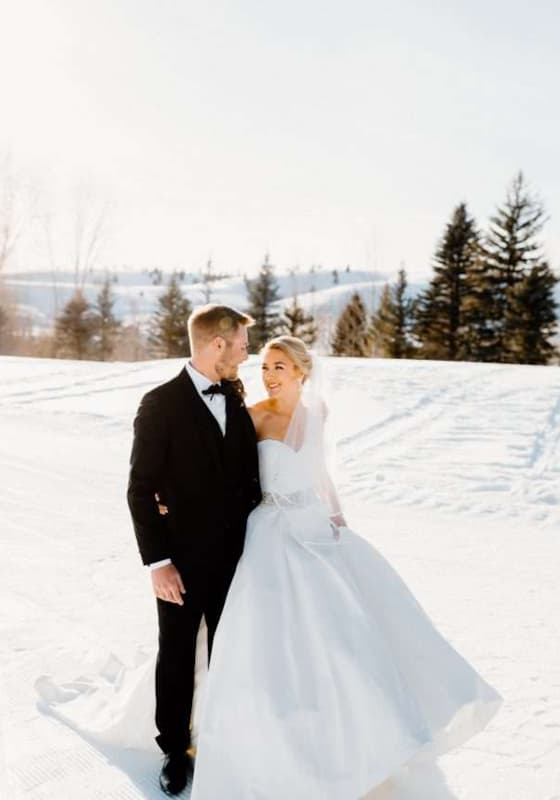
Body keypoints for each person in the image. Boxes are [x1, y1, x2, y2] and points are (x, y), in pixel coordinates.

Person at [187, 335, 502, 799]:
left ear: (300, 372)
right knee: (269, 634)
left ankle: (362, 739)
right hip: (269, 529)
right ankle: (266, 739)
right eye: (265, 367)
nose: (269, 375)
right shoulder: (252, 417)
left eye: (278, 367)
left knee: (346, 634)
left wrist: (336, 512)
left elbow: (319, 471)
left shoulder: (318, 416)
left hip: (314, 523)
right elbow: (227, 475)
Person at [126, 304, 261, 795]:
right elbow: (140, 489)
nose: (248, 355)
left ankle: (229, 739)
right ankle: (175, 750)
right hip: (179, 562)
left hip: (240, 560)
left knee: (231, 652)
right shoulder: (159, 404)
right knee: (178, 653)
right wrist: (157, 562)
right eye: (243, 346)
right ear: (217, 344)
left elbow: (250, 481)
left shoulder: (236, 401)